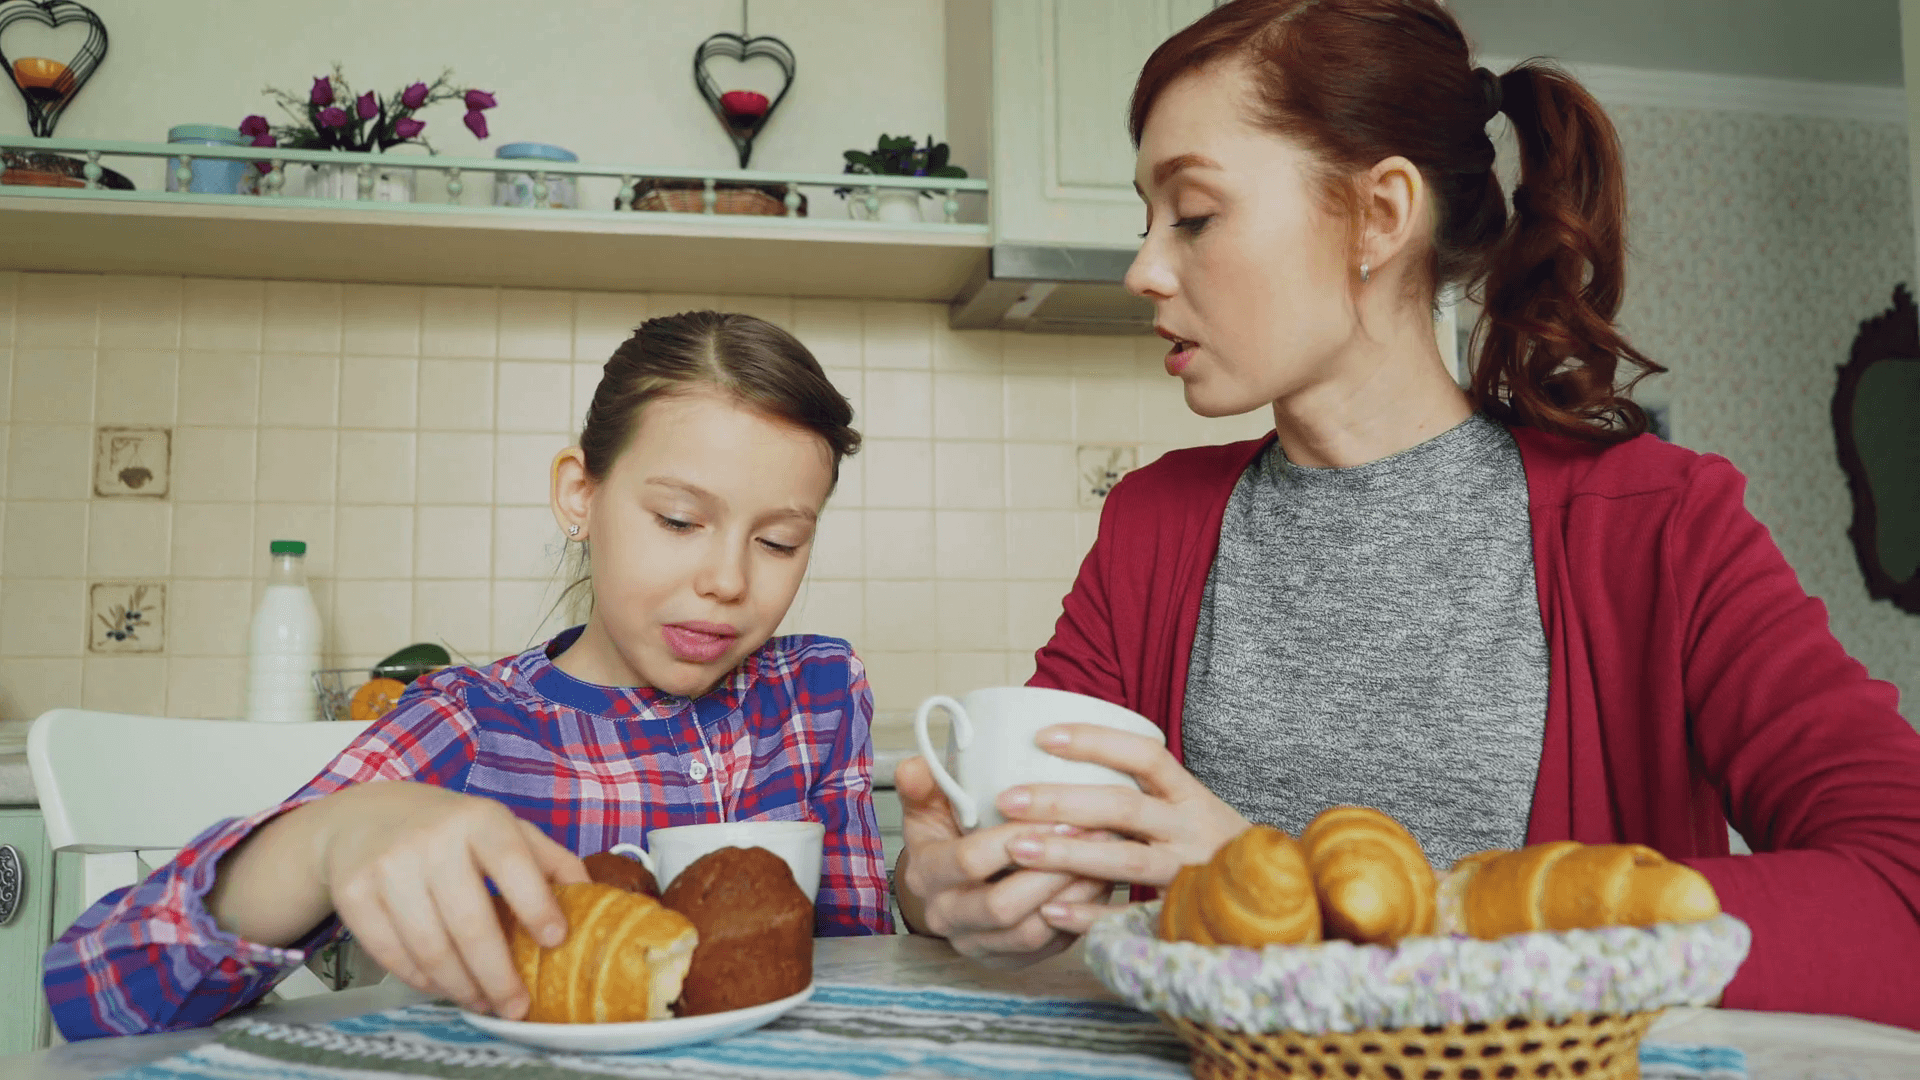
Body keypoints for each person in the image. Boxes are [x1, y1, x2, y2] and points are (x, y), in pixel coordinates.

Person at [894, 0, 1920, 1027]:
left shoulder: (1661, 525)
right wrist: (943, 886)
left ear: (1381, 215)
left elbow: (1901, 894)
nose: (1144, 268)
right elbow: (1033, 833)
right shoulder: (1153, 525)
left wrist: (1317, 900)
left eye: (1194, 215)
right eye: (1146, 220)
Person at [45, 311, 892, 1040]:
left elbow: (864, 967)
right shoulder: (469, 725)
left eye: (780, 541)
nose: (730, 582)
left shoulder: (814, 692)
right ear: (579, 496)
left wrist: (926, 900)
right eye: (678, 519)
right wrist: (322, 843)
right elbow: (91, 992)